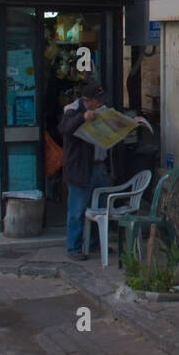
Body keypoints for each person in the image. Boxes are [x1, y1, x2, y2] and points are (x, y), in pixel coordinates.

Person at [59, 81, 110, 261]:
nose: (102, 104)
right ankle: (74, 247)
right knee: (77, 209)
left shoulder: (103, 111)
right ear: (88, 101)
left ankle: (95, 243)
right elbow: (65, 128)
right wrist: (83, 117)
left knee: (101, 208)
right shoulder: (72, 110)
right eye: (98, 101)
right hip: (80, 168)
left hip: (99, 166)